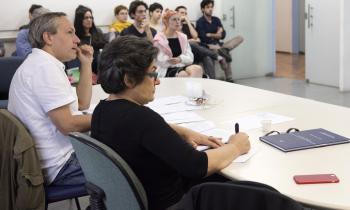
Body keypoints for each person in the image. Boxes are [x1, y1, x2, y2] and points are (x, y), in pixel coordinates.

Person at [91, 35, 250, 210]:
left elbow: (141, 134)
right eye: (153, 73)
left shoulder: (102, 110)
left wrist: (181, 133)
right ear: (129, 80)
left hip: (129, 202)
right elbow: (197, 166)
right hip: (173, 203)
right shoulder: (142, 119)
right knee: (251, 189)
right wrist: (236, 146)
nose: (157, 81)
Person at [8, 12, 92, 189]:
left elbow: (82, 103)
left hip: (52, 159)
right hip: (61, 167)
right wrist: (110, 116)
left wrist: (86, 63)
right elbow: (68, 125)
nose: (77, 40)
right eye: (70, 32)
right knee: (135, 163)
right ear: (48, 37)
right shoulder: (44, 68)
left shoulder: (44, 63)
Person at [196, 0, 244, 82]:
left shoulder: (216, 20)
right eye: (208, 7)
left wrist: (211, 34)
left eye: (211, 7)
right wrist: (217, 34)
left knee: (240, 38)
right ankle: (229, 78)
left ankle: (224, 50)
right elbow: (204, 38)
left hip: (220, 45)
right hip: (210, 46)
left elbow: (223, 34)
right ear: (203, 9)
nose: (210, 9)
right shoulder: (200, 22)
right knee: (223, 51)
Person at [154, 10, 203, 78]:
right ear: (166, 22)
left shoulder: (183, 37)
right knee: (183, 74)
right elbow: (161, 61)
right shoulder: (159, 39)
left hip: (181, 66)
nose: (177, 22)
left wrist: (180, 59)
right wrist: (177, 61)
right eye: (174, 19)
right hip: (166, 69)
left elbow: (190, 58)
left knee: (198, 69)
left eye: (178, 19)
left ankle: (193, 88)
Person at [175, 5, 219, 78]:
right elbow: (179, 40)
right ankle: (215, 55)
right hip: (186, 52)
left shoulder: (189, 25)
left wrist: (188, 22)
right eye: (182, 13)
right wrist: (190, 40)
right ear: (176, 13)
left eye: (186, 13)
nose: (184, 15)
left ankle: (213, 81)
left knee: (207, 57)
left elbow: (195, 36)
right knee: (191, 43)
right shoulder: (174, 25)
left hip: (195, 51)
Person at [74, 5, 107, 74]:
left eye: (91, 17)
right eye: (86, 18)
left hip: (99, 72)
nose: (89, 20)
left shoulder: (98, 33)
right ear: (80, 20)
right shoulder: (75, 38)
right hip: (82, 73)